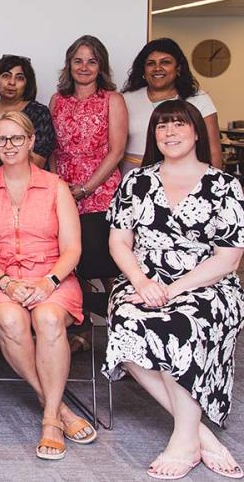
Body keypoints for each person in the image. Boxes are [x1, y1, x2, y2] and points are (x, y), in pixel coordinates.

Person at [104, 100, 244, 480]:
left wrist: (172, 289)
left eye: (178, 124)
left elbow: (229, 259)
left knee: (180, 325)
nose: (169, 133)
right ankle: (200, 435)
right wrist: (141, 282)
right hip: (142, 279)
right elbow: (119, 242)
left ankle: (183, 440)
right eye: (162, 126)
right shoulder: (138, 180)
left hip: (207, 284)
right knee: (127, 329)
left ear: (197, 131)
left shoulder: (224, 185)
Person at [0, 111, 96, 461]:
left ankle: (50, 417)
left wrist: (49, 280)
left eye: (16, 138)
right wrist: (6, 281)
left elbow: (73, 248)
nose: (9, 146)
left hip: (52, 275)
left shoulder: (55, 186)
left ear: (31, 141)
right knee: (11, 322)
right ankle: (57, 411)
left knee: (49, 321)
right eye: (2, 139)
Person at [50, 35, 127, 280]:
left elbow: (117, 151)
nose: (84, 67)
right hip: (63, 191)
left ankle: (106, 314)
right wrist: (57, 184)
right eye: (78, 61)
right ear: (69, 65)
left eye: (91, 62)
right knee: (66, 261)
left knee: (98, 260)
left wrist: (86, 188)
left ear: (101, 66)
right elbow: (52, 147)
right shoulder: (57, 100)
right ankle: (78, 315)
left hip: (100, 192)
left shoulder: (112, 100)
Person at [121, 37, 222, 173]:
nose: (157, 68)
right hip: (132, 172)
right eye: (151, 63)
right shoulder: (125, 99)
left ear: (178, 68)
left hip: (186, 174)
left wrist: (211, 186)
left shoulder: (198, 99)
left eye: (165, 62)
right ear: (143, 70)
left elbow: (213, 152)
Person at [0, 54, 56, 169]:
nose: (12, 82)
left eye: (19, 78)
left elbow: (38, 161)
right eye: (6, 76)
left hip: (29, 182)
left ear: (27, 84)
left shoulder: (39, 113)